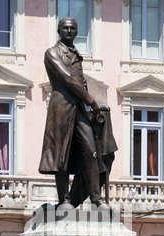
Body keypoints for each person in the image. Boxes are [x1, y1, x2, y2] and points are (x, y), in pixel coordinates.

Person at [38, 17, 110, 211]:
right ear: (59, 31)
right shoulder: (52, 53)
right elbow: (68, 79)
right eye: (65, 28)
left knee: (90, 150)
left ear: (76, 32)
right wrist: (91, 101)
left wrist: (97, 103)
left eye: (72, 28)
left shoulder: (76, 53)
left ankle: (96, 199)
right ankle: (65, 200)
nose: (69, 31)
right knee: (61, 153)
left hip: (78, 107)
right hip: (61, 108)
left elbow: (81, 81)